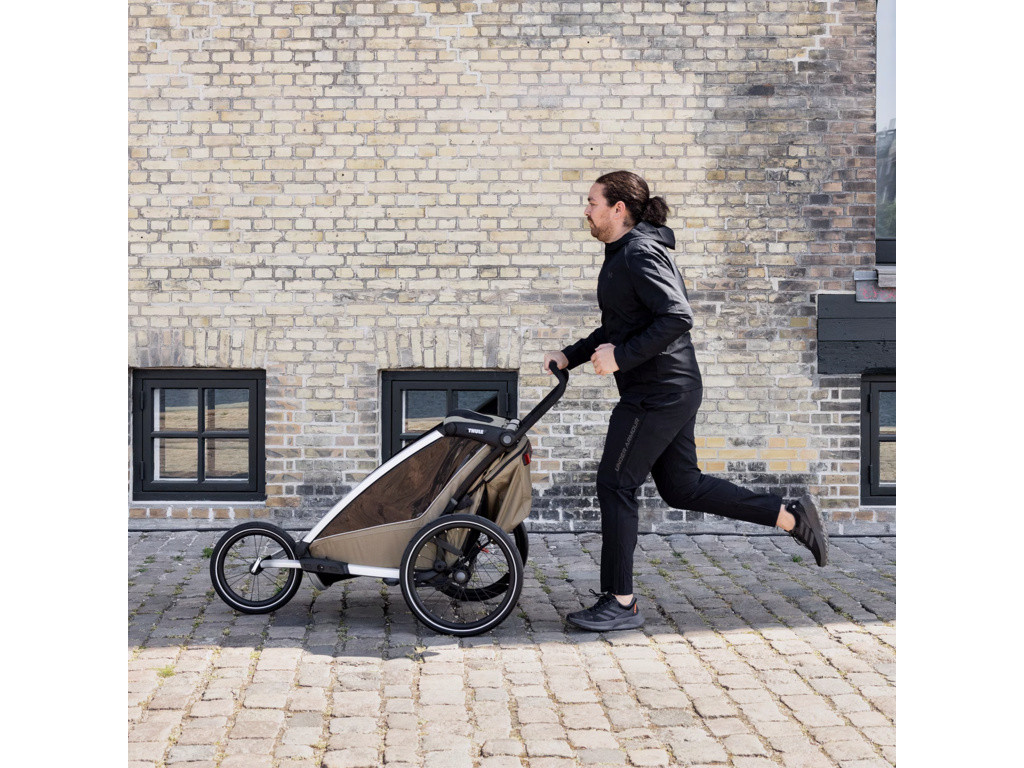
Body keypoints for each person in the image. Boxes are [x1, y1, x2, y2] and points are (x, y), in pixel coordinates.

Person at [544, 171, 829, 632]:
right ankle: (790, 517)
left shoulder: (639, 252)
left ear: (618, 208)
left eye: (592, 202)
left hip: (658, 391)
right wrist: (571, 355)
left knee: (615, 483)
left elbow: (677, 316)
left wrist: (621, 357)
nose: (586, 210)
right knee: (682, 487)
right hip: (666, 388)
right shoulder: (621, 254)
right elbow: (621, 325)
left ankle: (620, 602)